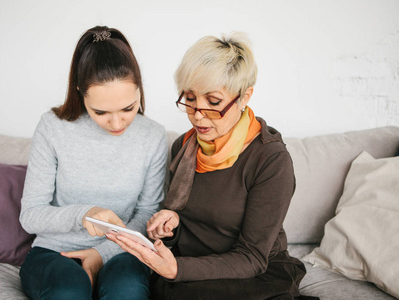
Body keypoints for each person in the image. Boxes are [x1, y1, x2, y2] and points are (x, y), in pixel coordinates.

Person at [108, 32, 317, 300]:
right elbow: (184, 228)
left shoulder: (270, 160)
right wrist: (169, 228)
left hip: (254, 274)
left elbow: (252, 257)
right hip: (193, 270)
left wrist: (176, 268)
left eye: (214, 102)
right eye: (190, 98)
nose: (197, 114)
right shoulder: (184, 147)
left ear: (244, 97)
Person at [19, 26, 168, 300]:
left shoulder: (153, 136)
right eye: (100, 112)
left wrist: (102, 254)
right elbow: (30, 215)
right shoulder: (53, 127)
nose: (116, 123)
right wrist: (85, 214)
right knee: (68, 291)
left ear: (139, 90)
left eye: (128, 108)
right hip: (54, 252)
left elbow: (147, 214)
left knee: (128, 291)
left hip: (123, 251)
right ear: (79, 92)